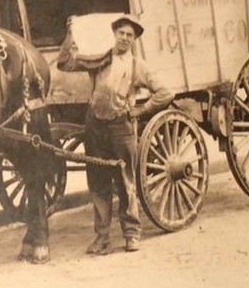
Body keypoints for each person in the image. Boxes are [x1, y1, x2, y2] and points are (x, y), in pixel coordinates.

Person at [57, 14, 174, 254]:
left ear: (134, 40)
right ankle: (102, 238)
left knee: (125, 182)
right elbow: (65, 64)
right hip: (95, 126)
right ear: (114, 34)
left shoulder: (138, 66)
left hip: (122, 128)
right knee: (98, 184)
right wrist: (70, 33)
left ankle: (132, 234)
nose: (124, 38)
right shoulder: (99, 59)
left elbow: (165, 92)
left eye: (130, 35)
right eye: (121, 33)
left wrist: (140, 110)